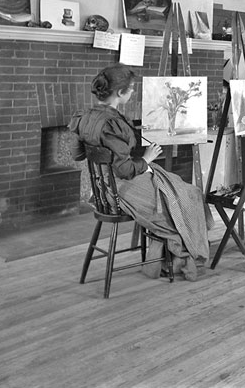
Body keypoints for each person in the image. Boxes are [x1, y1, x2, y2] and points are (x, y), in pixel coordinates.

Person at [68, 64, 213, 281]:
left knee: (176, 186)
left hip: (101, 186)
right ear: (120, 93)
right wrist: (147, 158)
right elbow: (125, 170)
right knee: (187, 194)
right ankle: (184, 255)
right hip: (119, 190)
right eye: (132, 89)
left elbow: (78, 154)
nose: (134, 92)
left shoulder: (84, 116)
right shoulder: (113, 123)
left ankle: (169, 257)